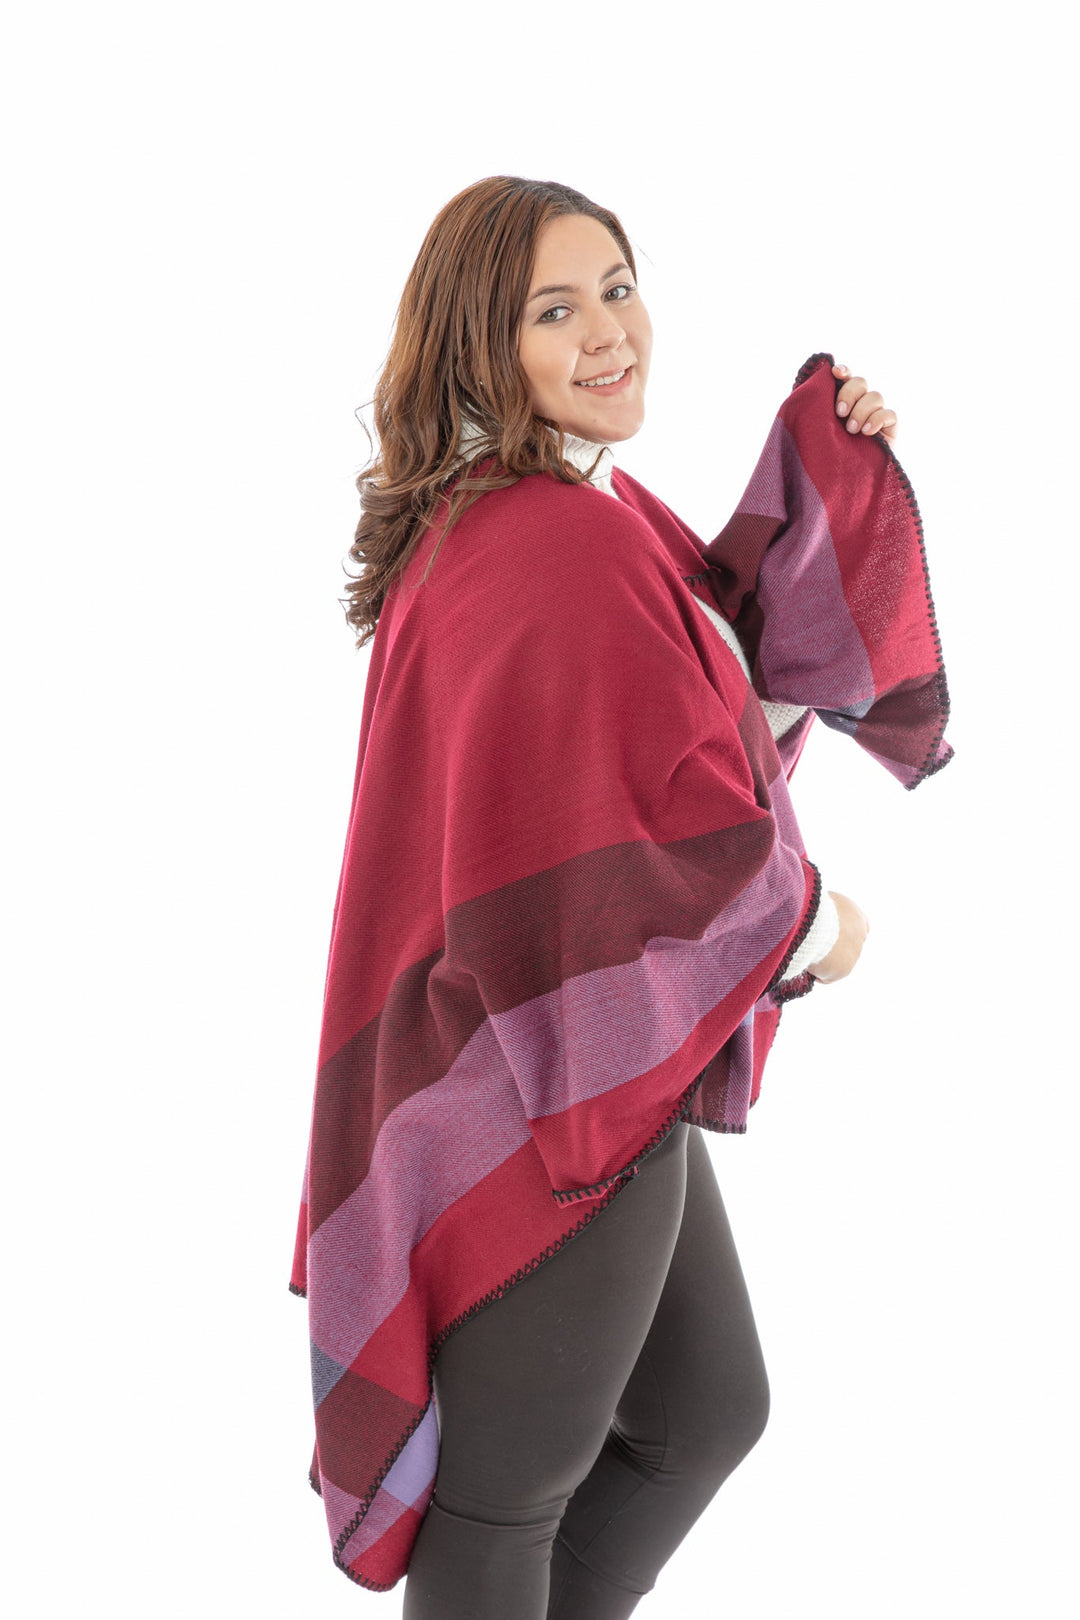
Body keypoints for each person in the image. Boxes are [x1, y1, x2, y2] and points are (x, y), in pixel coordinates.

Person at [290, 175, 947, 1619]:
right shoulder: (549, 539)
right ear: (482, 343)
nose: (609, 331)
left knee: (699, 1413)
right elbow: (642, 845)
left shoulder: (552, 506)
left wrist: (836, 485)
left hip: (536, 1040)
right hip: (543, 1064)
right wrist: (818, 927)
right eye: (554, 309)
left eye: (619, 285)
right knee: (507, 1496)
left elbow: (691, 703)